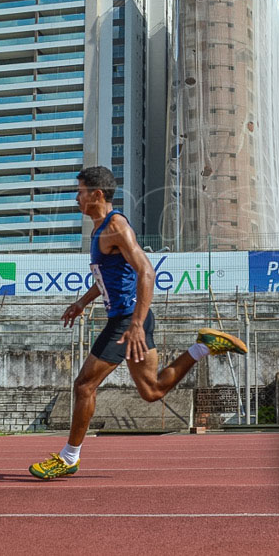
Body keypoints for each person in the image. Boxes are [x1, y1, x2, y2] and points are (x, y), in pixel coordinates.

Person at [29, 166, 248, 480]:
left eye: (80, 191)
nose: (76, 197)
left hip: (127, 322)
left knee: (83, 385)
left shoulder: (115, 226)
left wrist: (135, 324)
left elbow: (146, 272)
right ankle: (202, 347)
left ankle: (68, 458)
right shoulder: (98, 230)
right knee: (152, 391)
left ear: (97, 194)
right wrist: (81, 302)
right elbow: (108, 277)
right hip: (131, 320)